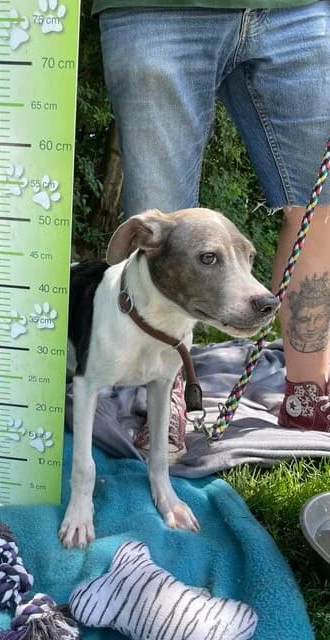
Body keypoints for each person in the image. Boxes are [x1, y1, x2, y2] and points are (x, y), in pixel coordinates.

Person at [93, 0, 330, 441]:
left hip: (297, 9)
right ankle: (165, 393)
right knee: (160, 219)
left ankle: (308, 398)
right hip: (155, 9)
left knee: (320, 207)